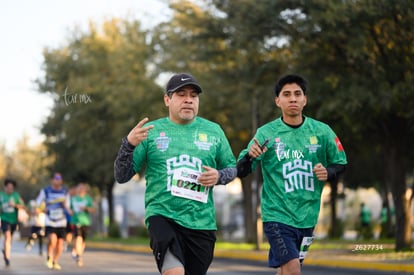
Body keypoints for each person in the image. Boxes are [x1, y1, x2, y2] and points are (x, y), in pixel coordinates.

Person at [114, 73, 237, 275]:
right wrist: (128, 145)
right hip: (163, 217)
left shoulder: (214, 131)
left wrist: (219, 176)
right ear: (167, 99)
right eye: (181, 94)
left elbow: (232, 168)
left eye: (193, 95)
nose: (188, 99)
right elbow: (122, 175)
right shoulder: (150, 132)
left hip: (201, 223)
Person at [237, 74, 347, 275]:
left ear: (305, 99)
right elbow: (242, 170)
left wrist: (328, 172)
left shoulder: (323, 132)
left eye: (298, 94)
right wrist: (250, 157)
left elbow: (340, 163)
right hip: (276, 216)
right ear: (278, 101)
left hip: (307, 216)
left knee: (287, 270)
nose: (293, 99)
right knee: (293, 268)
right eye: (286, 94)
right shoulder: (266, 134)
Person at [36, 172, 70, 270]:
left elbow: (68, 207)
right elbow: (38, 204)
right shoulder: (45, 191)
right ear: (52, 180)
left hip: (61, 221)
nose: (58, 180)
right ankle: (49, 256)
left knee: (60, 244)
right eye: (56, 178)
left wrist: (65, 206)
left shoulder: (65, 192)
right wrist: (42, 209)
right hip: (50, 221)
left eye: (59, 178)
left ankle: (55, 261)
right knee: (53, 240)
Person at [0, 178, 26, 267]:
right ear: (5, 187)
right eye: (8, 187)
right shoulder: (1, 195)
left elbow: (23, 206)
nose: (10, 189)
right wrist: (4, 206)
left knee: (9, 239)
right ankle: (7, 258)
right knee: (7, 236)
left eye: (11, 188)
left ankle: (5, 250)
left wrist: (14, 205)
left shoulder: (16, 196)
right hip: (4, 219)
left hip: (14, 220)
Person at [69, 182, 95, 267]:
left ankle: (76, 251)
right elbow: (68, 208)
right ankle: (79, 257)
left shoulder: (88, 199)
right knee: (78, 238)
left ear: (85, 190)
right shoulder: (73, 199)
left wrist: (86, 208)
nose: (80, 190)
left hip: (85, 222)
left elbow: (93, 209)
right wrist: (70, 211)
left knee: (83, 241)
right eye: (79, 188)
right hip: (76, 221)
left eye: (82, 188)